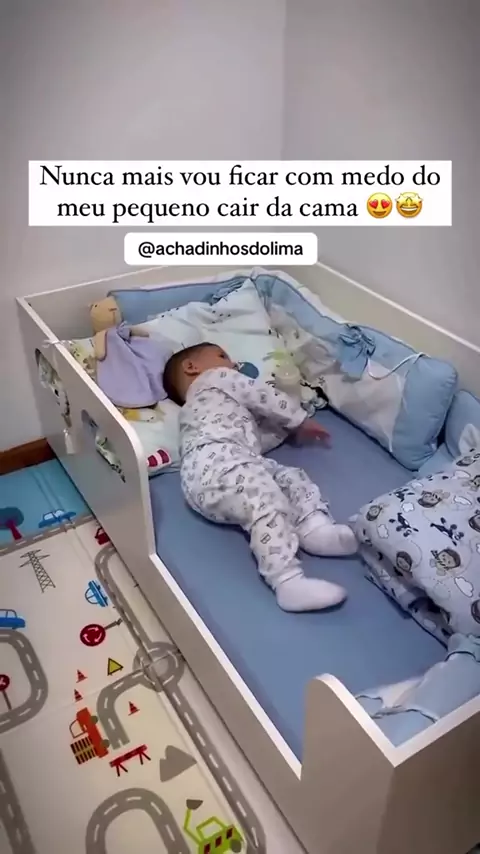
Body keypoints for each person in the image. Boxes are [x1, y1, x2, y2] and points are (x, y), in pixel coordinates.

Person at [163, 343, 357, 612]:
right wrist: (299, 419)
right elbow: (262, 395)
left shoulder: (199, 410)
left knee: (288, 476)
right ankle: (287, 580)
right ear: (191, 367)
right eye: (222, 356)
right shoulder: (215, 378)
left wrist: (283, 432)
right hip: (218, 461)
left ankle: (314, 528)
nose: (233, 364)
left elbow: (254, 438)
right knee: (264, 497)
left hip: (217, 468)